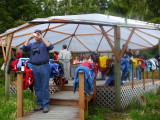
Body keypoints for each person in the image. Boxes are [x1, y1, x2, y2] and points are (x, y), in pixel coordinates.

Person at [21, 29, 53, 113]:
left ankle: (46, 105)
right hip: (34, 67)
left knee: (44, 86)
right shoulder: (31, 44)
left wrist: (41, 37)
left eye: (38, 34)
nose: (36, 35)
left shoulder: (44, 42)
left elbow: (50, 46)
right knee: (37, 87)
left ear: (41, 35)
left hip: (44, 66)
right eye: (35, 34)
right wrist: (29, 38)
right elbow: (24, 48)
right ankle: (40, 104)